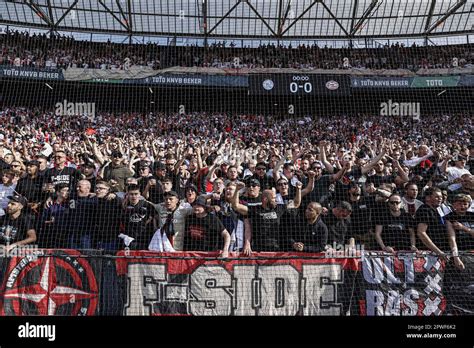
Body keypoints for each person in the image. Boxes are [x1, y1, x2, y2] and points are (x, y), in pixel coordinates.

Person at [119, 184, 157, 250]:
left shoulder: (147, 205)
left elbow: (155, 218)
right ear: (127, 194)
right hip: (129, 238)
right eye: (131, 194)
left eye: (136, 194)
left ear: (139, 194)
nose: (134, 196)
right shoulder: (123, 207)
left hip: (145, 237)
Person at [416, 187, 450, 258]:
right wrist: (438, 251)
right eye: (437, 197)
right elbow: (421, 233)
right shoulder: (424, 210)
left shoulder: (437, 210)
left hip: (439, 251)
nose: (440, 199)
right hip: (428, 254)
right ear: (428, 198)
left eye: (441, 197)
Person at [445, 194, 474, 262]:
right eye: (459, 204)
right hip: (461, 252)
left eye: (465, 204)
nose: (462, 206)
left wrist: (463, 228)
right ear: (454, 205)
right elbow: (452, 238)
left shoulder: (472, 216)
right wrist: (455, 256)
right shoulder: (450, 217)